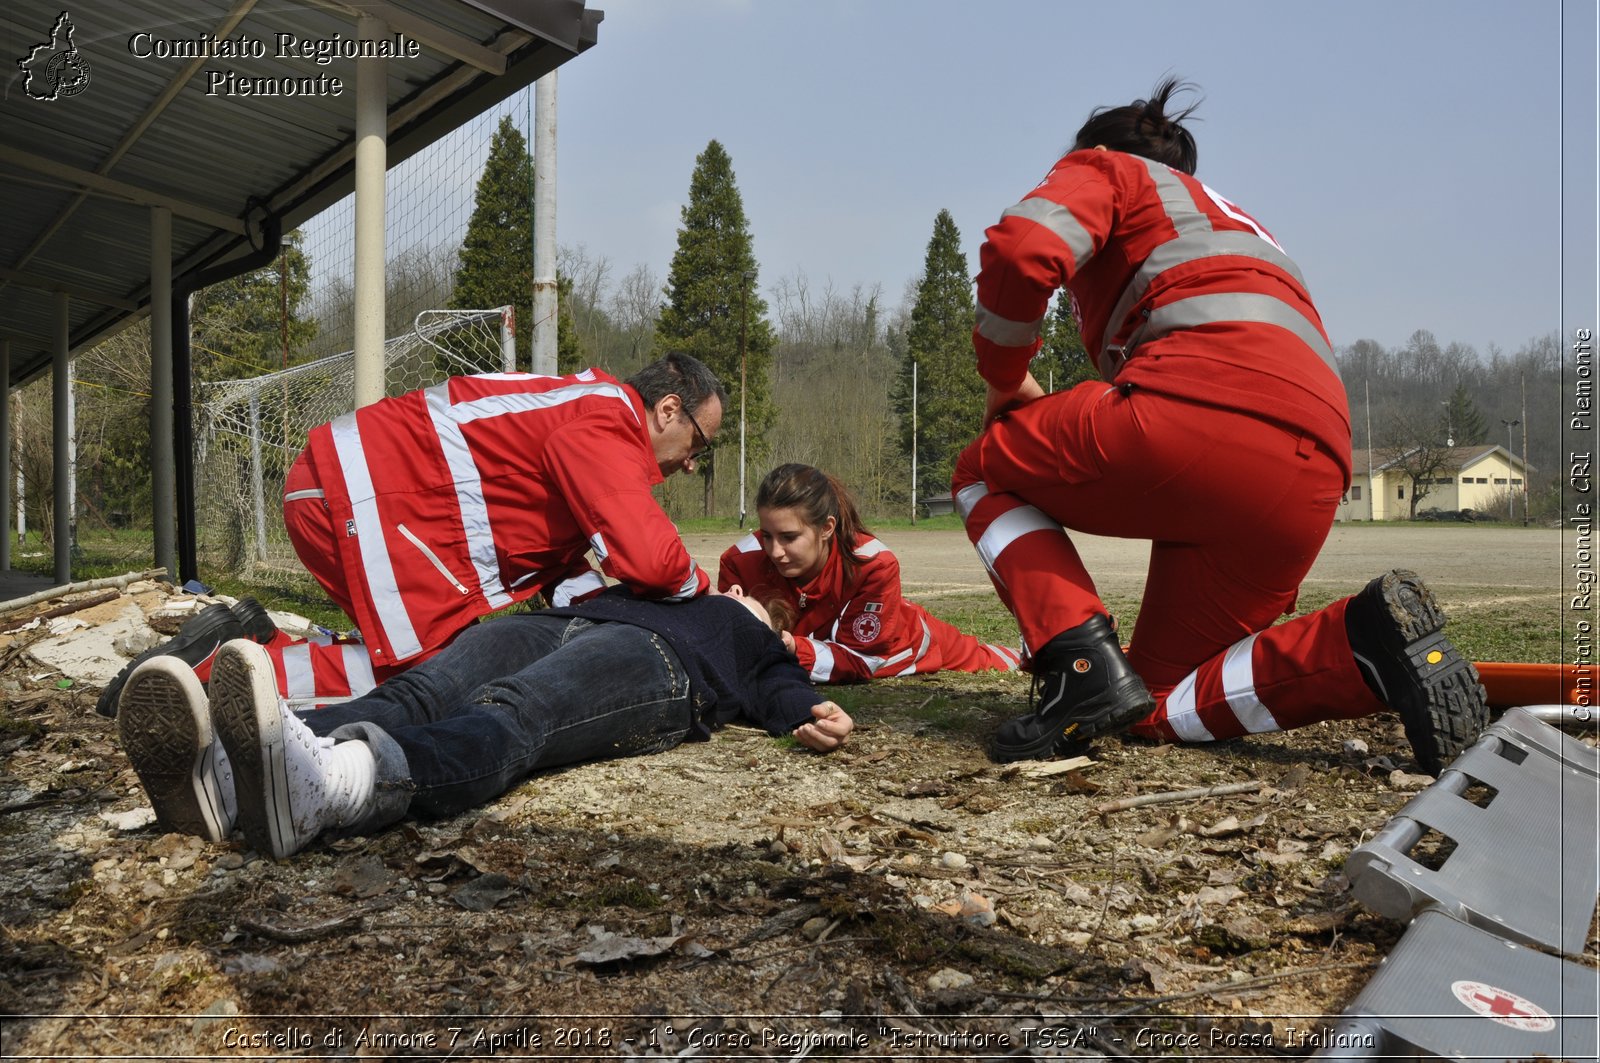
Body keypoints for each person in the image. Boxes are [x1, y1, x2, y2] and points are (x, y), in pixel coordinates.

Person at [953, 78, 1487, 772]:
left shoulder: (1108, 167)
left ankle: (1077, 665)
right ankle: (1360, 646)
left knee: (979, 468)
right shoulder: (1233, 223)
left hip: (1198, 412)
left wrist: (1004, 379)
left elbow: (1023, 249)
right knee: (1156, 703)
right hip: (1315, 462)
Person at [98, 354, 727, 717]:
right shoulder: (606, 421)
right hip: (365, 501)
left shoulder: (581, 405)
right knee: (423, 683)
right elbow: (649, 555)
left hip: (355, 493)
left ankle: (244, 642)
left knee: (428, 668)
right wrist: (701, 591)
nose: (691, 462)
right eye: (698, 443)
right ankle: (207, 678)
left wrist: (600, 606)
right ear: (668, 410)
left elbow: (562, 565)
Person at [115, 587, 853, 858]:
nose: (742, 590)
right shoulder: (674, 583)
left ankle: (336, 786)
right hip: (564, 620)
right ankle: (231, 770)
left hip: (657, 661)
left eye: (760, 599)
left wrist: (809, 711)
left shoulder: (755, 642)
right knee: (421, 689)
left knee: (516, 714)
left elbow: (789, 693)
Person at [719, 463, 1020, 683]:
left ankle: (1035, 651)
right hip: (823, 643)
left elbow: (863, 660)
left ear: (826, 528)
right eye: (766, 535)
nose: (774, 551)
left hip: (905, 637)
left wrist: (794, 647)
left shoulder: (872, 565)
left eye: (789, 537)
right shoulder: (738, 562)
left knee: (995, 659)